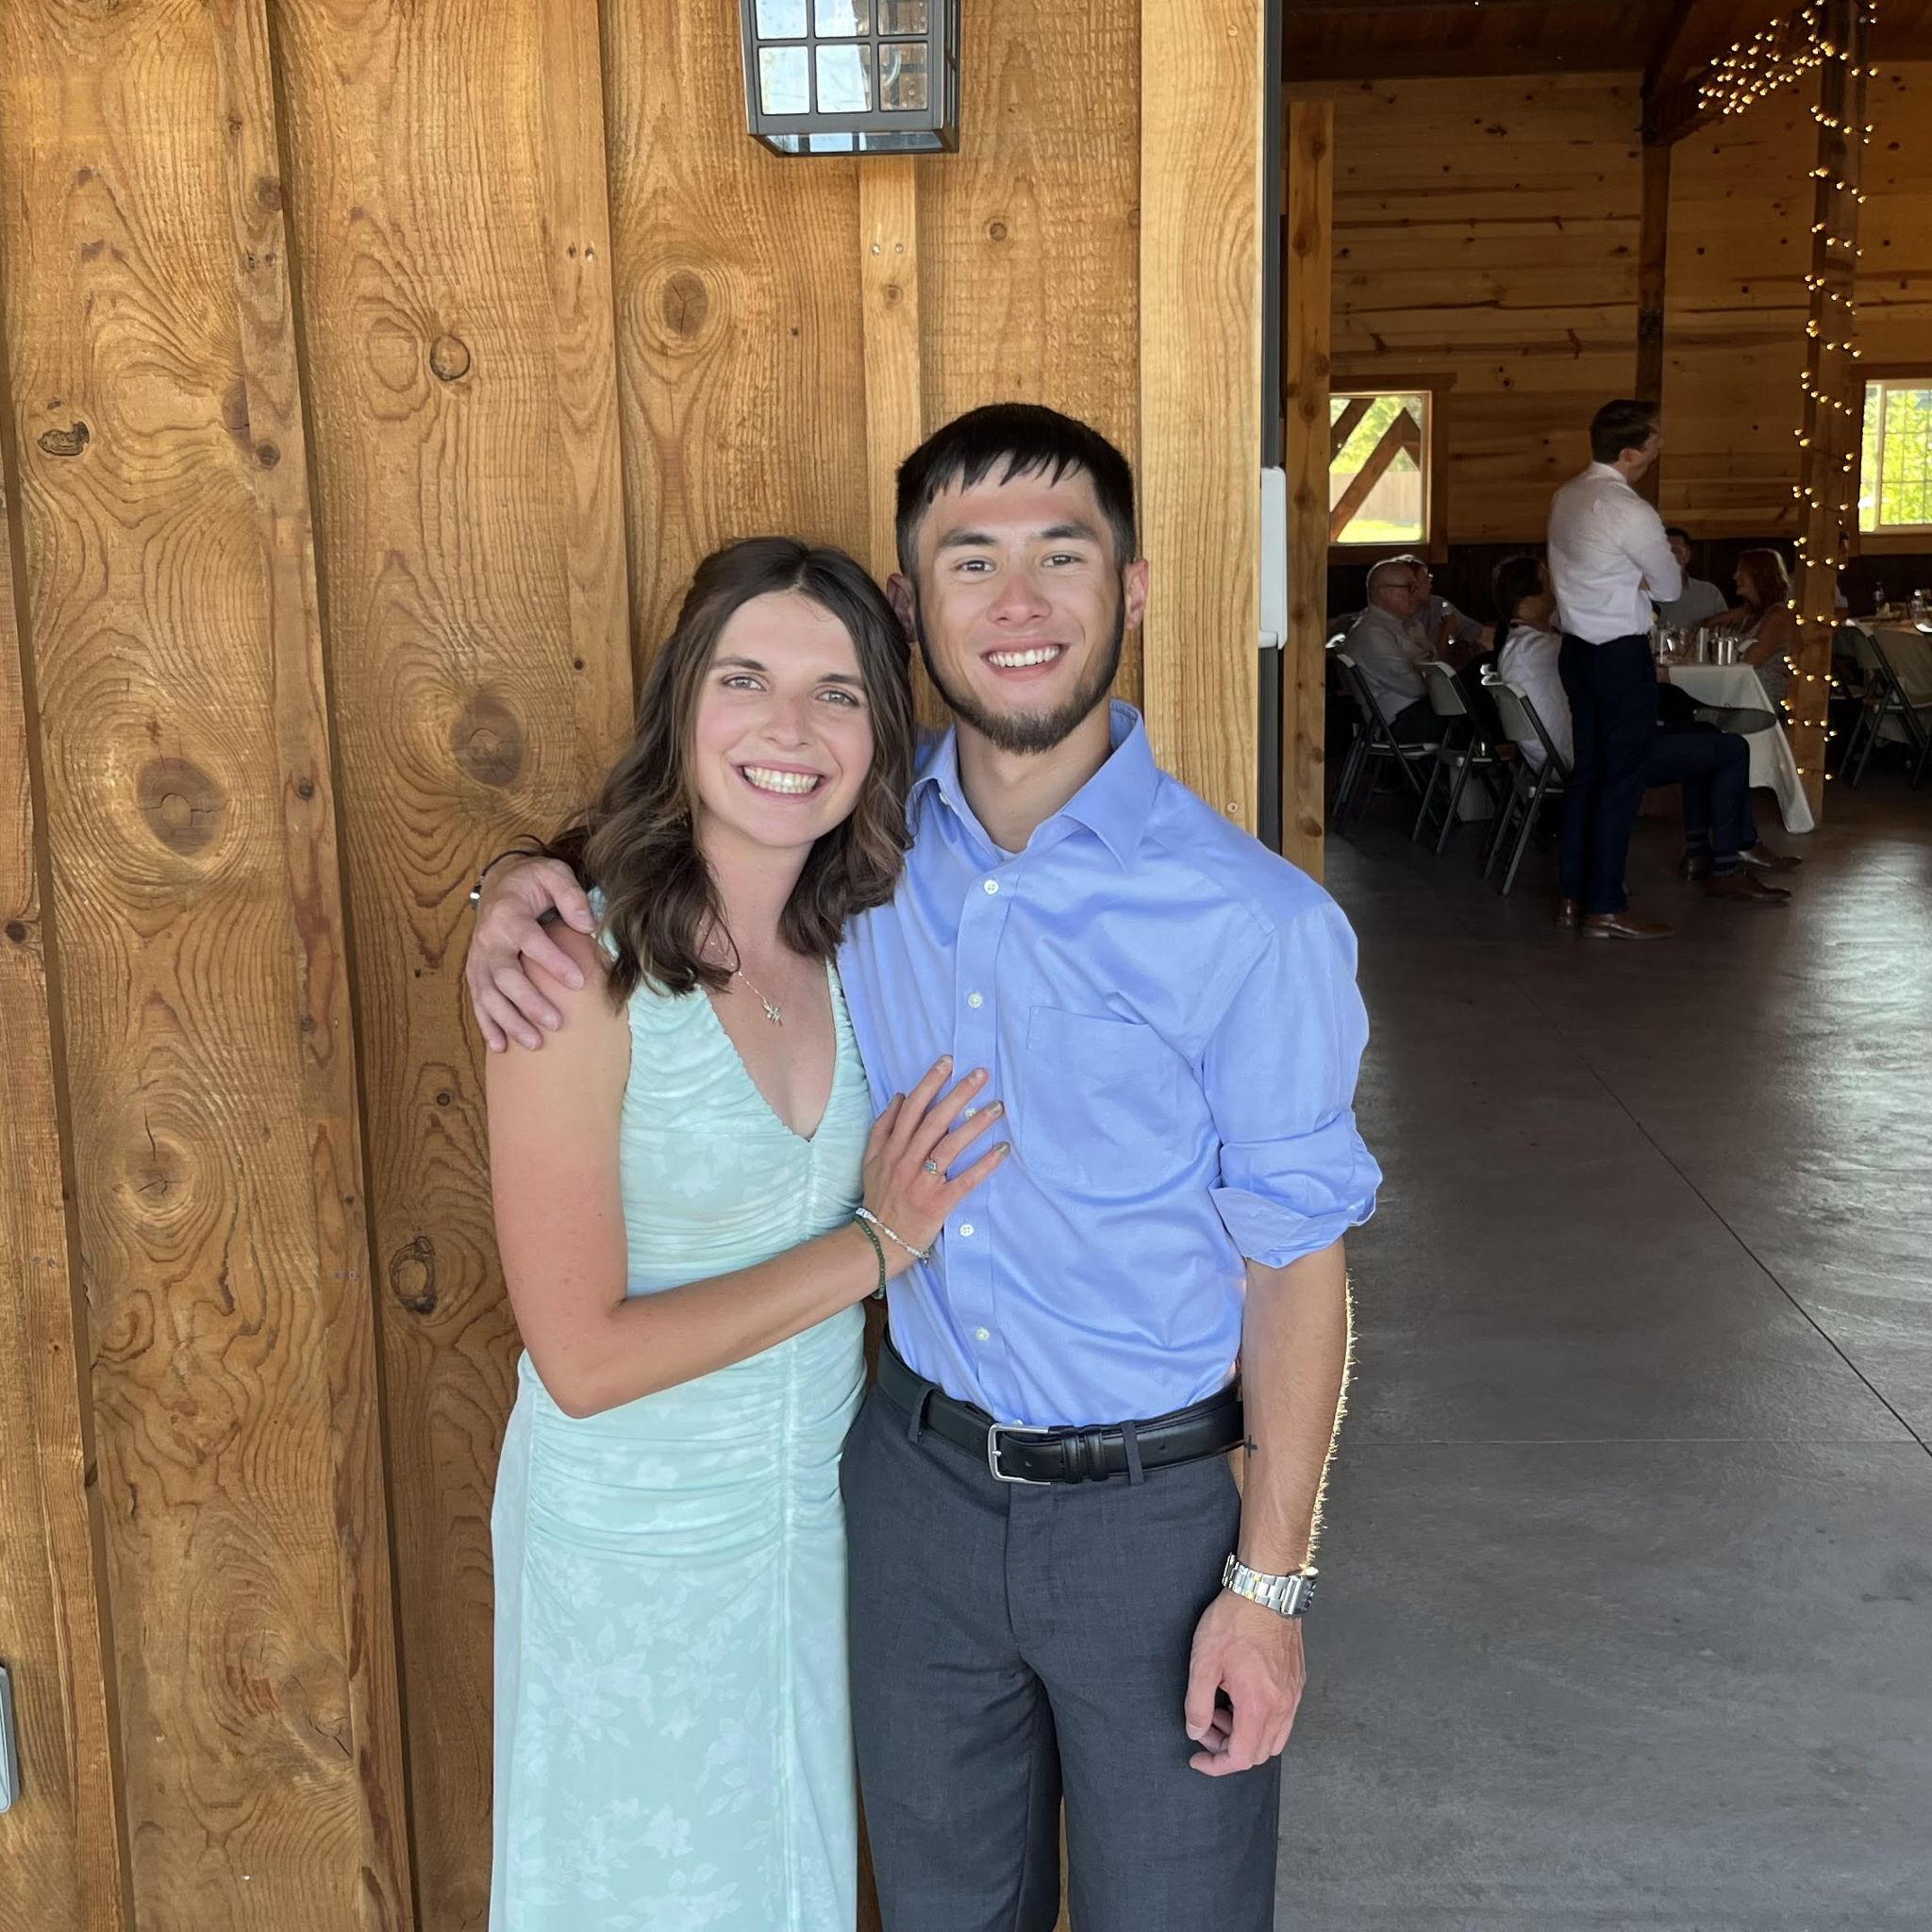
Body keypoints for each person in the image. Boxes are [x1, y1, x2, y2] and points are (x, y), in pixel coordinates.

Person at [470, 404, 1381, 1932]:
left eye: (1060, 557)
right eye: (971, 562)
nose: (1015, 605)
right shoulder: (874, 866)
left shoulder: (1255, 923)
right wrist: (504, 883)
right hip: (907, 1496)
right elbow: (652, 876)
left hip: (1148, 1513)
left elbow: (1296, 1265)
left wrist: (1268, 1583)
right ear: (917, 609)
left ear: (1133, 587)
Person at [482, 537, 1008, 1931]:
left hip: (811, 1528)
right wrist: (872, 1250)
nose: (790, 730)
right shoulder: (574, 973)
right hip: (629, 1542)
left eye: (838, 694)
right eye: (747, 680)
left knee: (787, 1882)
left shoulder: (866, 947)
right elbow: (581, 1361)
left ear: (881, 737)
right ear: (681, 710)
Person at [1491, 554, 1792, 905]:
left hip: (1557, 759)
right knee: (1732, 749)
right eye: (1549, 581)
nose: (1559, 588)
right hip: (1594, 759)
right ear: (1529, 597)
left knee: (1703, 735)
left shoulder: (1521, 645)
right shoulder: (1551, 649)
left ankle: (1700, 855)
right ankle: (1726, 867)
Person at [1546, 397, 1680, 941]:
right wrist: (1641, 579)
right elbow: (1670, 586)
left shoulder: (1566, 497)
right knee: (1621, 780)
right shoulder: (1630, 510)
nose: (1660, 445)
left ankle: (1573, 897)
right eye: (1654, 439)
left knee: (1587, 775)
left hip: (1576, 650)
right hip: (1620, 654)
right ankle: (1606, 902)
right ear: (1630, 452)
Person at [1343, 557, 1437, 741]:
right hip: (1399, 722)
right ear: (1384, 592)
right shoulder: (1370, 632)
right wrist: (1433, 675)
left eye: (1416, 588)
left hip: (1421, 711)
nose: (1415, 594)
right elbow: (1415, 686)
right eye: (1409, 588)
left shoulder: (1409, 625)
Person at [1727, 547, 1798, 711]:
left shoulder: (1778, 615)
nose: (1735, 576)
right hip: (1740, 686)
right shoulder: (1751, 614)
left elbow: (1750, 661)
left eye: (1741, 571)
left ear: (1759, 575)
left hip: (1760, 694)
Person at [1657, 528, 1729, 633]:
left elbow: (1725, 631)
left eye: (1675, 551)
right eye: (1663, 552)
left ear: (1687, 556)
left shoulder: (1709, 593)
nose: (1669, 557)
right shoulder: (1642, 594)